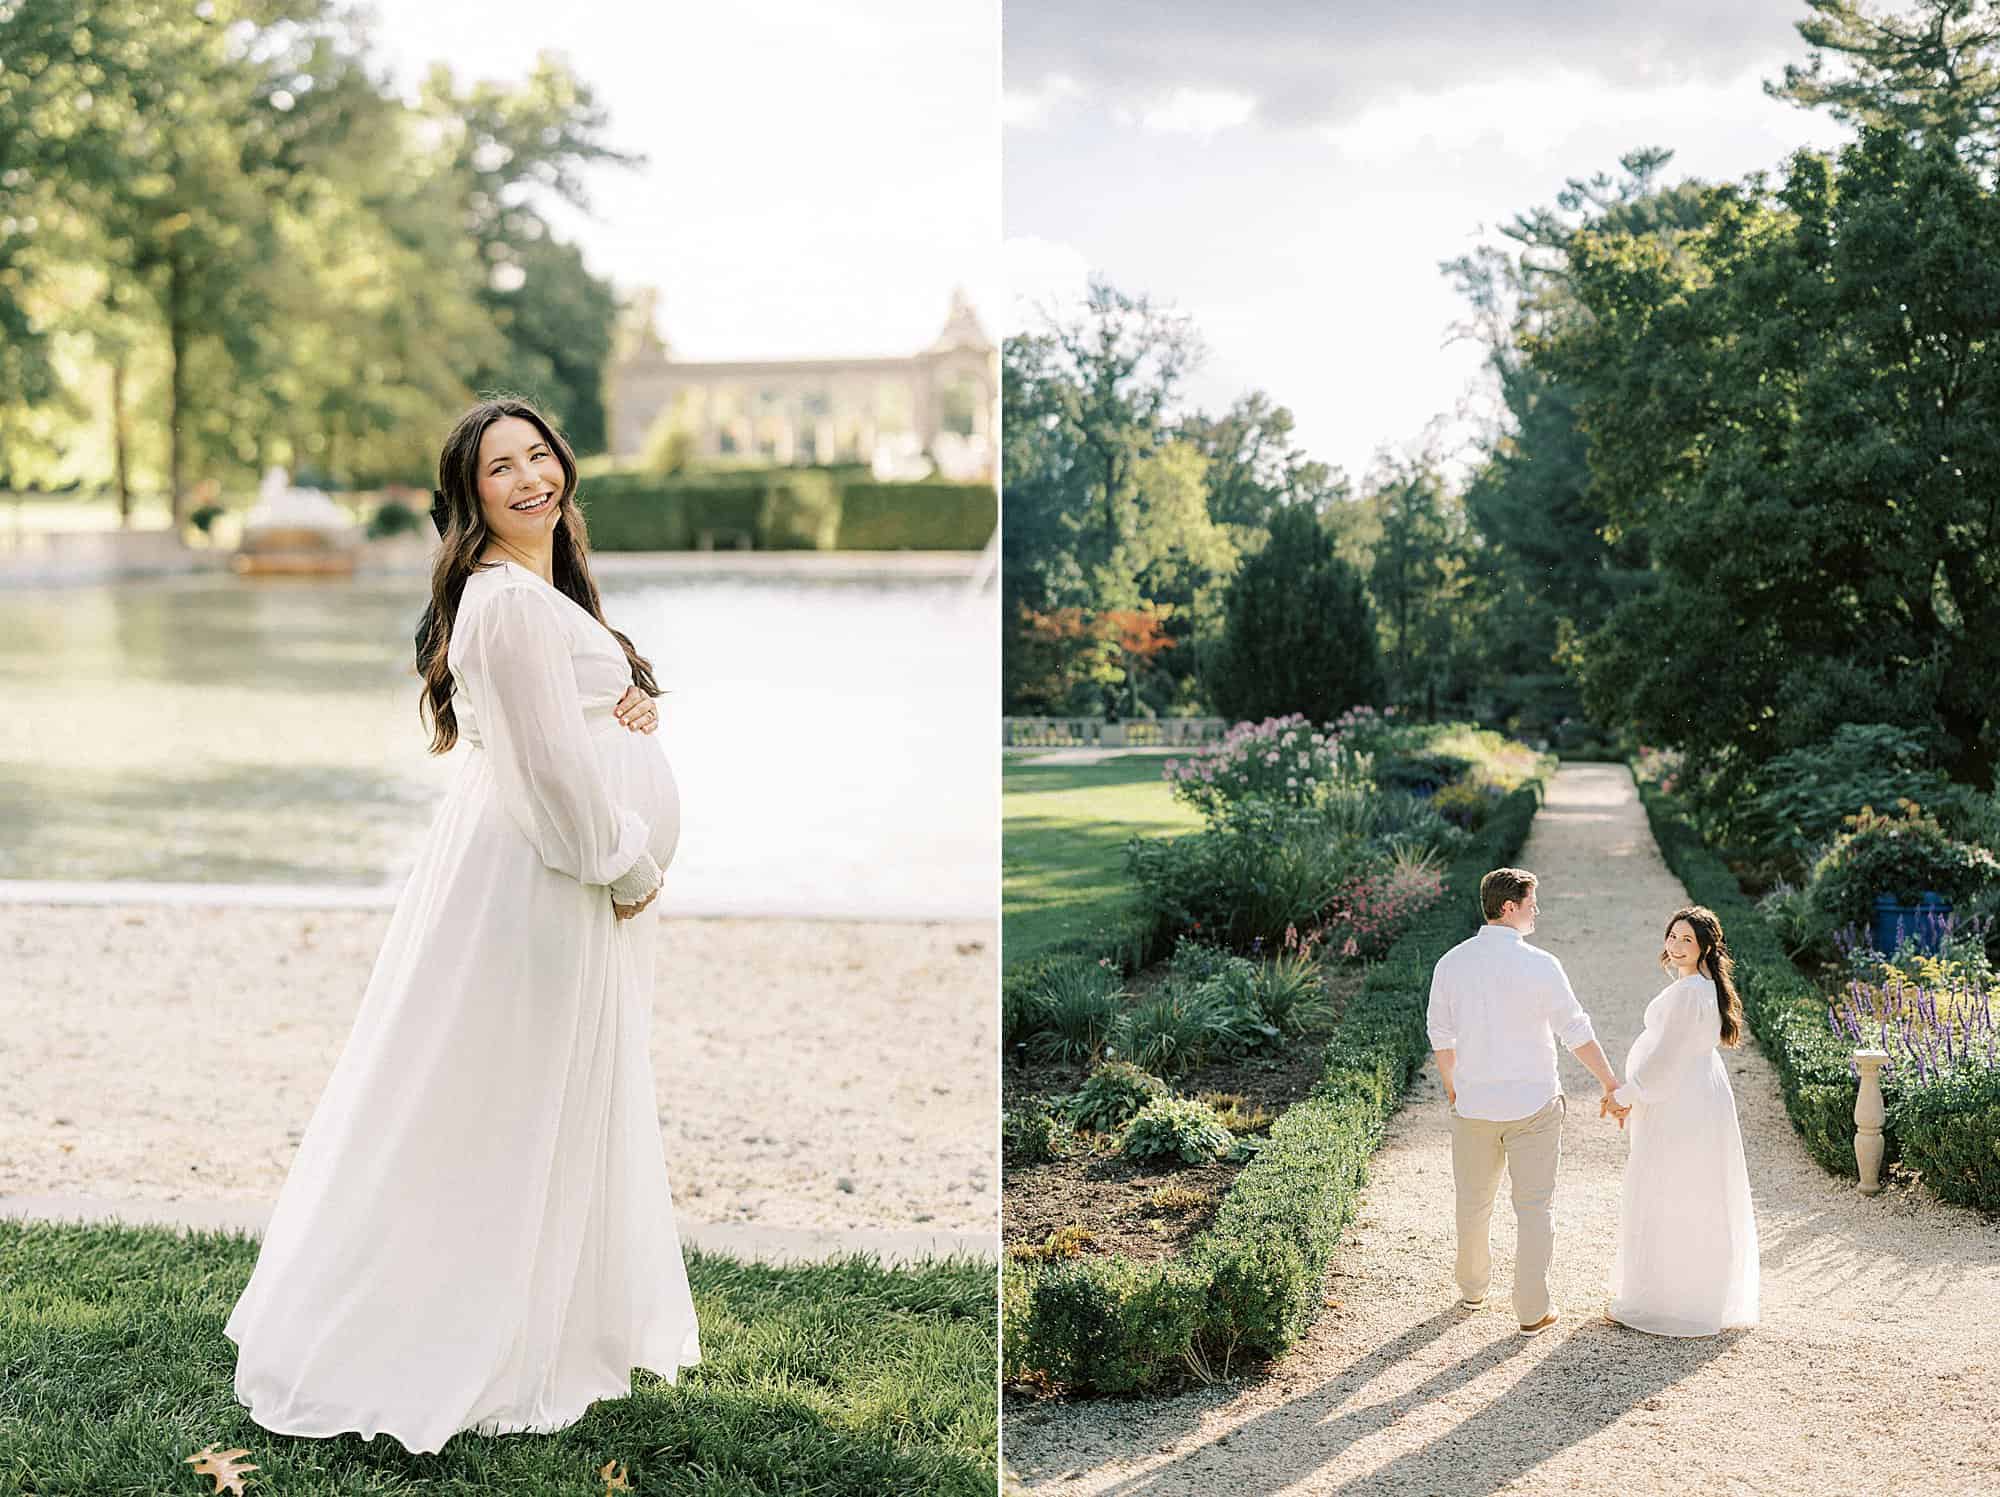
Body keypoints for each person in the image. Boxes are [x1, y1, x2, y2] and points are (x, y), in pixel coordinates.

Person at [225, 397, 702, 1453]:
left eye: (541, 455)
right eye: (502, 467)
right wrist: (623, 865)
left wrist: (632, 701)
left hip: (545, 870)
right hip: (542, 877)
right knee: (498, 1098)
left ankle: (543, 1315)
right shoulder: (502, 602)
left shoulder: (535, 590)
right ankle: (450, 1335)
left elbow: (559, 723)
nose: (532, 477)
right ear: (468, 493)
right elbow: (544, 773)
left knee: (540, 1092)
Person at [1427, 866, 1628, 1335]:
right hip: (1535, 1106)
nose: (1538, 910)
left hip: (1474, 1106)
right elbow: (1575, 1030)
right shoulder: (1541, 964)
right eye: (1532, 903)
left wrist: (1454, 1086)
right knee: (1534, 1207)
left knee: (1473, 1204)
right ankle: (1531, 1309)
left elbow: (1440, 1034)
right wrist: (1609, 1082)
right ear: (1509, 907)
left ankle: (1473, 1288)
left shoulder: (1451, 963)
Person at [1604, 905, 1760, 1336]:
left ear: (1705, 947)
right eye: (1672, 937)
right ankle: (1688, 1294)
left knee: (1668, 1186)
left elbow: (1665, 1056)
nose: (1675, 946)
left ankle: (1665, 1299)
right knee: (1693, 1188)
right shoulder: (1701, 987)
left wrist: (1625, 1095)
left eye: (1686, 940)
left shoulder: (1690, 991)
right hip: (1695, 1094)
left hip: (1679, 1100)